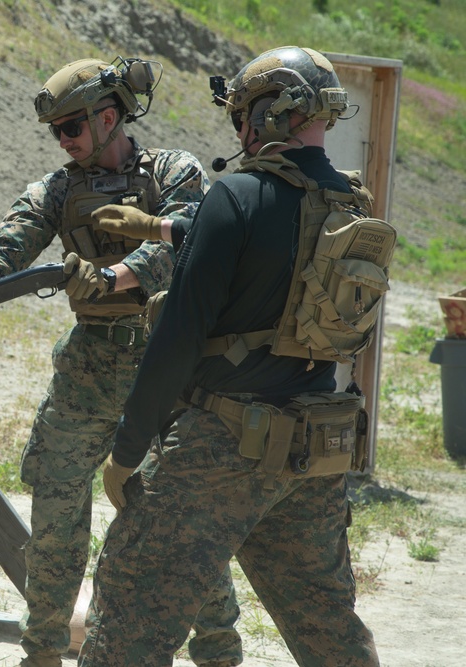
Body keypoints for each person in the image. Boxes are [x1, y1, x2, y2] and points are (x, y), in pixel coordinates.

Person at [0, 57, 242, 667]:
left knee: (183, 520)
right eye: (57, 132)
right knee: (55, 513)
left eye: (72, 128)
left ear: (109, 117)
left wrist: (113, 277)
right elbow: (6, 248)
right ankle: (43, 653)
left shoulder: (175, 172)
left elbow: (187, 248)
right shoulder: (59, 190)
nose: (64, 141)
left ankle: (218, 651)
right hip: (88, 368)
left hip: (167, 368)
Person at [79, 46, 380, 666]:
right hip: (317, 448)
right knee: (327, 622)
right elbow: (278, 251)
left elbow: (179, 338)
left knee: (132, 608)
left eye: (243, 114)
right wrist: (163, 229)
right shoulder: (351, 205)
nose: (239, 130)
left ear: (269, 113)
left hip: (227, 447)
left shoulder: (237, 194)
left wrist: (128, 450)